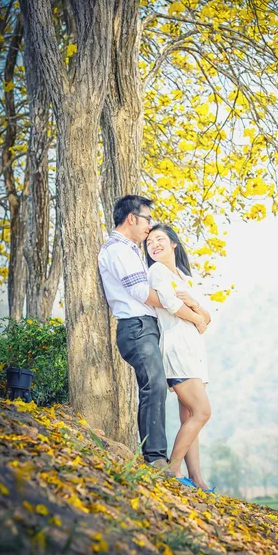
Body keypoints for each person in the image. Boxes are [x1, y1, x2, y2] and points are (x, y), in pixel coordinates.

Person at [98, 195, 206, 469]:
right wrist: (182, 307)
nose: (149, 227)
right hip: (136, 327)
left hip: (146, 327)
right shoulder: (118, 250)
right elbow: (140, 292)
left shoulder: (130, 250)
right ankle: (156, 458)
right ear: (131, 218)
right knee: (154, 384)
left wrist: (189, 308)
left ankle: (167, 461)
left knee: (157, 386)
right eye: (146, 219)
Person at [145, 224, 212, 491]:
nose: (154, 245)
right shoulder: (157, 271)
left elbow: (208, 315)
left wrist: (197, 308)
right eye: (149, 242)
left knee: (190, 419)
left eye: (160, 239)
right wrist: (196, 315)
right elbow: (171, 305)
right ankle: (173, 469)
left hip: (195, 353)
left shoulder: (184, 277)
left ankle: (197, 480)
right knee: (202, 411)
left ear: (174, 243)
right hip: (177, 350)